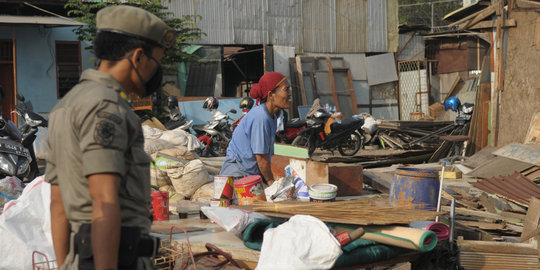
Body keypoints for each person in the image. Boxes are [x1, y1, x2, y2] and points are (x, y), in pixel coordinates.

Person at [45, 5, 176, 270]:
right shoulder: (107, 107)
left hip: (80, 260)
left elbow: (57, 205)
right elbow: (104, 200)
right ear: (138, 57)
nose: (157, 71)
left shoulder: (65, 105)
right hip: (115, 259)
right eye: (157, 61)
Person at [219, 72, 292, 186]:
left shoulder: (271, 117)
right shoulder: (261, 117)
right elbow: (261, 158)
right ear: (271, 95)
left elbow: (266, 155)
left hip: (249, 175)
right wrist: (270, 181)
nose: (290, 94)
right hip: (237, 176)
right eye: (286, 89)